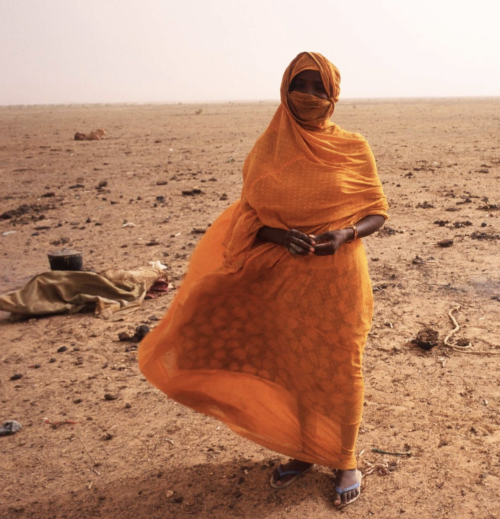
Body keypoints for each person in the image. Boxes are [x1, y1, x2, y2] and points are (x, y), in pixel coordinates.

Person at [139, 51, 388, 508]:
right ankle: (304, 451)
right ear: (284, 89)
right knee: (293, 362)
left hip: (340, 277)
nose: (309, 96)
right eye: (301, 85)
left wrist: (344, 234)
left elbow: (377, 211)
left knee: (341, 366)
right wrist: (282, 235)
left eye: (318, 88)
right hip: (283, 277)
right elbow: (249, 215)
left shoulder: (354, 146)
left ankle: (345, 457)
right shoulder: (268, 148)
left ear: (333, 95)